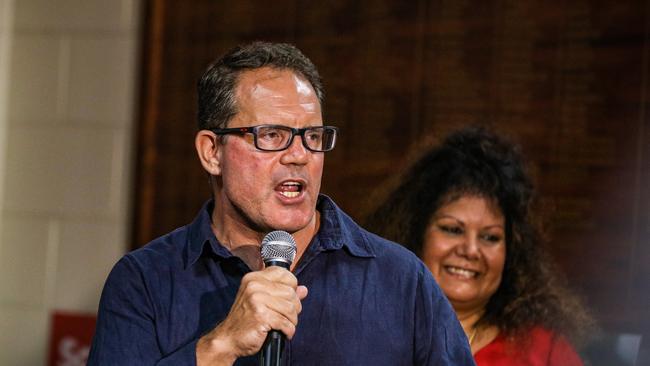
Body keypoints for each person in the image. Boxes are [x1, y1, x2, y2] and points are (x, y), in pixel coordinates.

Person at [87, 42, 475, 365]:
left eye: (312, 136)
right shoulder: (144, 281)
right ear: (211, 152)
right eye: (272, 135)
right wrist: (219, 346)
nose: (299, 155)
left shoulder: (402, 281)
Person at [364, 126, 595, 365]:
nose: (471, 250)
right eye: (453, 230)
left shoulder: (544, 350)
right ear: (414, 234)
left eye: (490, 237)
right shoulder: (367, 333)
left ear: (512, 252)